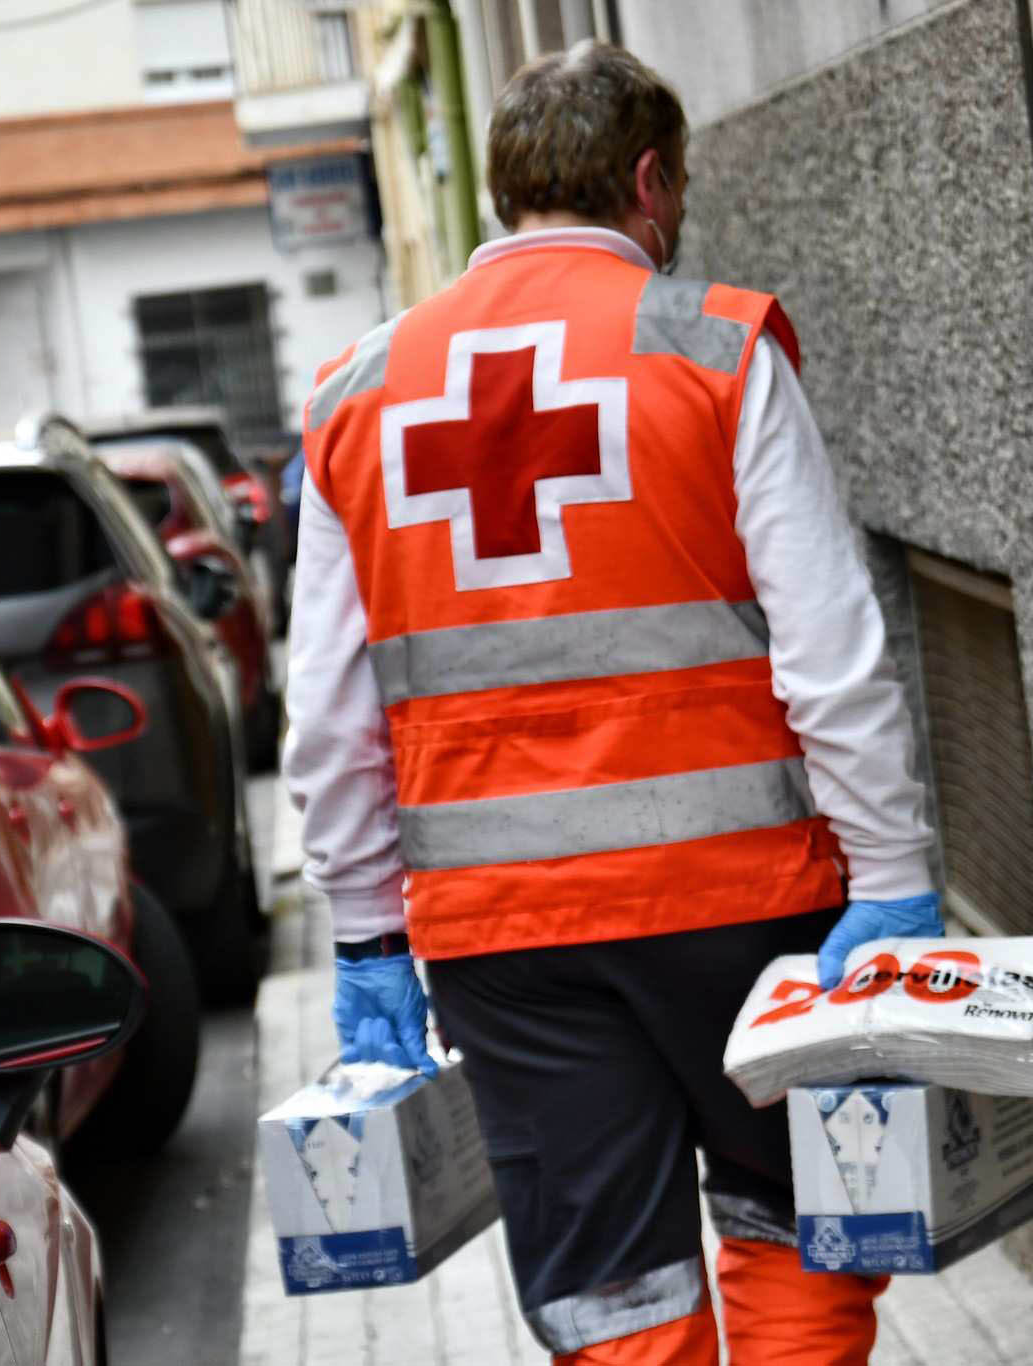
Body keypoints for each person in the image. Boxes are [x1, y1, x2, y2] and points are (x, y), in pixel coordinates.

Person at [283, 39, 938, 1365]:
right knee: (795, 1224)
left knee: (614, 1291)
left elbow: (327, 715)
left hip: (504, 944)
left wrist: (362, 933)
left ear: (502, 192)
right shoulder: (714, 352)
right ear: (651, 180)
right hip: (747, 912)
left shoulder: (358, 396)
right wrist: (894, 870)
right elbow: (831, 649)